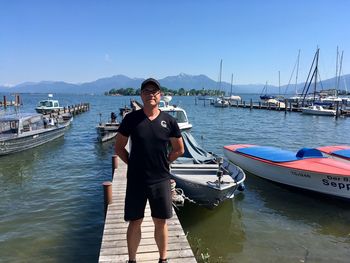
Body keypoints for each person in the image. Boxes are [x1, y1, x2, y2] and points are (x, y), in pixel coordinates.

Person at [115, 78, 184, 263]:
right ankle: (132, 260)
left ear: (160, 96)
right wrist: (131, 163)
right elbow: (119, 147)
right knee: (135, 221)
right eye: (146, 91)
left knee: (160, 222)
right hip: (136, 180)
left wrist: (165, 160)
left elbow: (179, 149)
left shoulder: (169, 121)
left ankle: (163, 259)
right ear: (141, 95)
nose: (150, 94)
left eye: (154, 91)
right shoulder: (131, 119)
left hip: (160, 179)